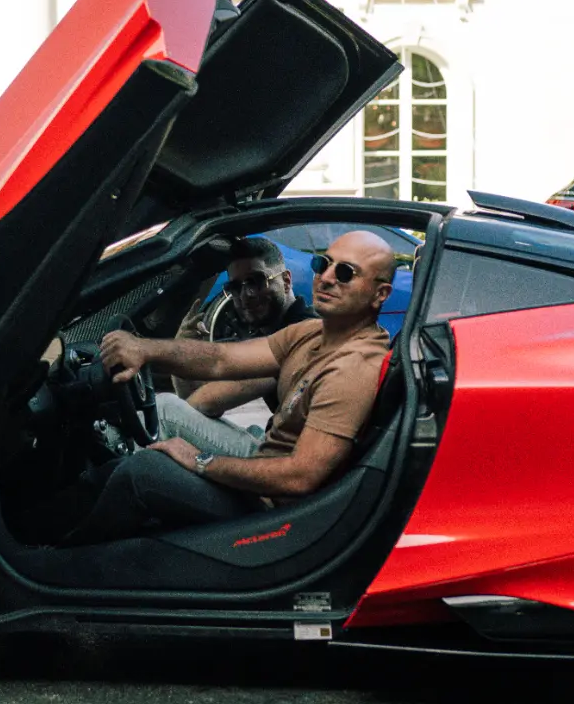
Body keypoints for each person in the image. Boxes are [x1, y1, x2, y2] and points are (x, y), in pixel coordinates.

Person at [80, 230, 397, 540]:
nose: (326, 277)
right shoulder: (312, 332)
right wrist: (145, 349)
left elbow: (300, 477)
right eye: (322, 264)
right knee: (119, 470)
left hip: (278, 514)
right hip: (263, 467)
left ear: (380, 294)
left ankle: (61, 564)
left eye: (344, 273)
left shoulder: (352, 367)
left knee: (143, 472)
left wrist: (201, 461)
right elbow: (221, 359)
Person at [158, 234, 311, 445]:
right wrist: (181, 359)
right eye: (235, 287)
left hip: (291, 463)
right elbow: (195, 403)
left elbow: (204, 403)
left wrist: (179, 353)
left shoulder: (300, 332)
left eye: (256, 281)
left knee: (165, 410)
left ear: (286, 281)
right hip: (281, 443)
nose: (246, 294)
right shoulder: (269, 333)